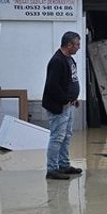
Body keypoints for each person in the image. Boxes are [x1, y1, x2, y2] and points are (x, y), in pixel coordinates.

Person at [43, 31, 83, 180]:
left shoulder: (69, 59)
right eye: (77, 44)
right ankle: (52, 169)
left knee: (66, 136)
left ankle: (64, 165)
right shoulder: (57, 61)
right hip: (59, 106)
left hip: (68, 105)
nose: (79, 47)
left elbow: (70, 81)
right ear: (69, 45)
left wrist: (73, 98)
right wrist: (66, 100)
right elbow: (52, 86)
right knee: (57, 137)